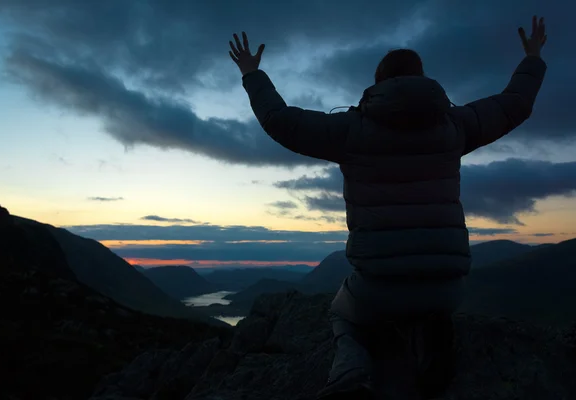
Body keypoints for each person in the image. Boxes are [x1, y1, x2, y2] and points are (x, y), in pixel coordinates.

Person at [229, 15, 547, 399]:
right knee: (427, 309)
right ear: (422, 78)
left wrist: (252, 74)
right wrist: (532, 58)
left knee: (342, 315)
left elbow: (280, 121)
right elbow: (514, 105)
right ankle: (427, 337)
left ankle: (351, 377)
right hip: (446, 288)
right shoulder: (455, 125)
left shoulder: (351, 129)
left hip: (378, 287)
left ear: (378, 84)